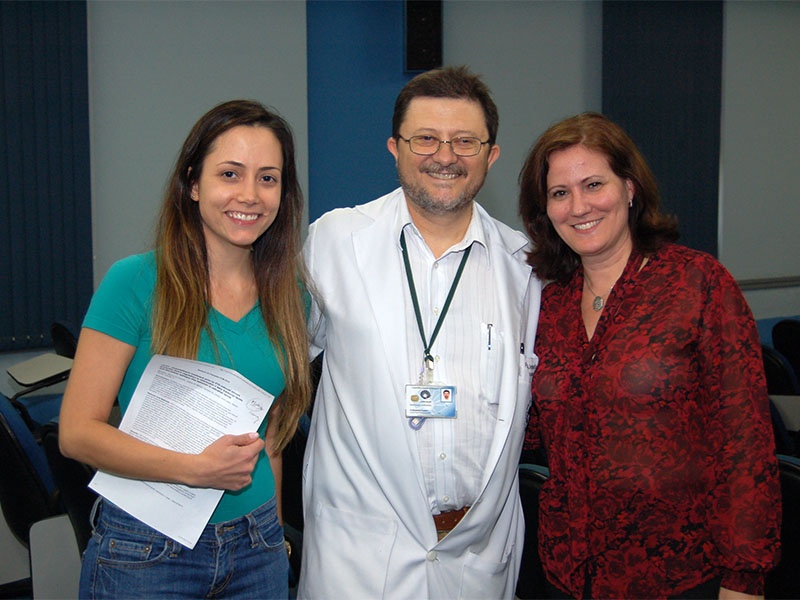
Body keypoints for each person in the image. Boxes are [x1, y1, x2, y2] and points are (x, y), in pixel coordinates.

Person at [298, 66, 541, 599]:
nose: (445, 156)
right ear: (395, 147)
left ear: (491, 155)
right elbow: (278, 366)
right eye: (426, 138)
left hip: (476, 555)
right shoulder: (333, 242)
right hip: (359, 554)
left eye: (465, 141)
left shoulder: (526, 266)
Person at [518, 112, 781, 599]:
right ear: (544, 209)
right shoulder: (546, 305)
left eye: (594, 184)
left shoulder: (697, 284)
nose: (579, 206)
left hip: (679, 575)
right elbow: (528, 428)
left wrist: (745, 578)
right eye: (560, 193)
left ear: (630, 187)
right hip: (568, 575)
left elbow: (745, 443)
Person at [59, 100, 311, 599]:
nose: (249, 194)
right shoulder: (134, 282)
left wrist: (276, 535)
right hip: (146, 548)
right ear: (193, 185)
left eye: (268, 178)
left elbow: (271, 438)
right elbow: (76, 433)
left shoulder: (291, 296)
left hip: (257, 546)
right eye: (230, 174)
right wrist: (196, 469)